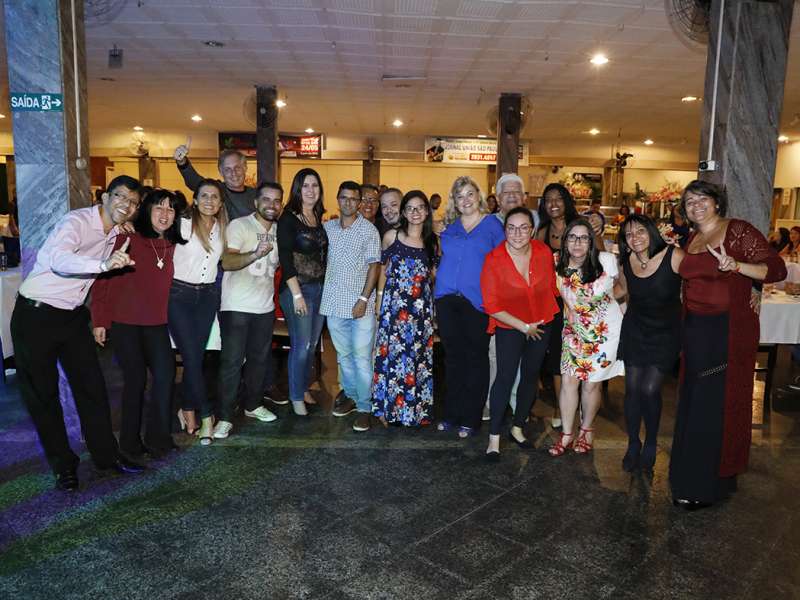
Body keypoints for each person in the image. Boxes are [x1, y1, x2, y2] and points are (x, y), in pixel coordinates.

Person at [10, 175, 145, 491]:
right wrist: (104, 264)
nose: (126, 205)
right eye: (121, 197)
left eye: (133, 202)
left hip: (71, 317)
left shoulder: (116, 231)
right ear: (105, 197)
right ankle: (63, 466)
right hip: (36, 315)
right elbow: (59, 260)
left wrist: (116, 236)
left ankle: (106, 457)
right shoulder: (77, 221)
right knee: (43, 396)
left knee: (93, 388)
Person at [670, 180, 786, 510]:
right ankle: (695, 477)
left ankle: (703, 485)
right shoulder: (692, 238)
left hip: (725, 332)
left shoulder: (736, 231)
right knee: (694, 404)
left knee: (712, 406)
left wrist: (738, 267)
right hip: (694, 331)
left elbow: (775, 268)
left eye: (701, 199)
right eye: (689, 201)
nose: (695, 206)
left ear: (716, 202)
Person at [91, 188, 187, 461]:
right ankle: (130, 443)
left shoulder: (172, 243)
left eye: (170, 209)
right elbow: (103, 280)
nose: (165, 214)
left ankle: (159, 438)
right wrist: (100, 320)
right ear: (146, 210)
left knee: (166, 378)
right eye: (159, 207)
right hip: (125, 322)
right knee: (135, 381)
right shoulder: (127, 237)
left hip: (157, 323)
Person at [481, 207, 559, 460]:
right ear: (504, 231)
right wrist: (524, 327)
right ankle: (493, 438)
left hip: (541, 323)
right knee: (504, 377)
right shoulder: (494, 259)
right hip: (509, 326)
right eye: (511, 228)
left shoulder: (543, 251)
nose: (517, 233)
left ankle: (517, 427)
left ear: (532, 230)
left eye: (523, 227)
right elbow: (491, 306)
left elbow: (550, 288)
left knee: (530, 376)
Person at [435, 176, 505, 438]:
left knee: (475, 359)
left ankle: (471, 416)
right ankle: (451, 413)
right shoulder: (449, 228)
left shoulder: (492, 226)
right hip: (446, 300)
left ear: (479, 196)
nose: (465, 200)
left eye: (469, 194)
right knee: (452, 359)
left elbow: (501, 266)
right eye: (459, 196)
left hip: (477, 302)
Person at [213, 182, 283, 440]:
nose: (271, 205)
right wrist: (254, 254)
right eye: (266, 199)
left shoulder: (279, 231)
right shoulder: (240, 226)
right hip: (236, 306)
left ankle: (253, 405)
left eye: (277, 201)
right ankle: (224, 417)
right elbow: (227, 261)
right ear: (256, 202)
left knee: (258, 362)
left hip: (264, 308)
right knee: (231, 364)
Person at [614, 214, 684, 472]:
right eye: (629, 234)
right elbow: (620, 290)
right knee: (632, 388)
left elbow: (695, 287)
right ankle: (633, 443)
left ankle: (652, 442)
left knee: (651, 389)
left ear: (652, 232)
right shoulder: (626, 261)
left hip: (666, 332)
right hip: (635, 330)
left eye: (640, 231)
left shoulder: (674, 256)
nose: (635, 238)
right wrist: (587, 296)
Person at [549, 218, 624, 456]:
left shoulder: (606, 260)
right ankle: (567, 433)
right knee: (569, 381)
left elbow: (623, 288)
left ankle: (586, 429)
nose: (578, 242)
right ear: (565, 241)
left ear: (591, 241)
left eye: (583, 237)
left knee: (591, 385)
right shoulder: (555, 263)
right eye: (572, 237)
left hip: (604, 332)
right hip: (573, 331)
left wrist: (612, 307)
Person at [168, 179, 228, 445]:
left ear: (220, 202)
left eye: (214, 197)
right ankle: (206, 416)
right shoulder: (180, 225)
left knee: (197, 357)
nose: (209, 201)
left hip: (207, 296)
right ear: (194, 199)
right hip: (178, 295)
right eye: (204, 196)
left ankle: (186, 408)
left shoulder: (223, 229)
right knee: (191, 358)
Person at [373, 190, 438, 428]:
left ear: (427, 211)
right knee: (392, 358)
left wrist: (433, 312)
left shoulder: (432, 242)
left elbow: (432, 278)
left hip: (420, 313)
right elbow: (383, 269)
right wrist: (379, 301)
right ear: (403, 212)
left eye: (420, 207)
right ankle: (387, 410)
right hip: (394, 309)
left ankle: (415, 412)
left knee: (417, 361)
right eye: (410, 208)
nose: (415, 212)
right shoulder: (392, 236)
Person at [321, 181, 381, 431]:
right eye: (344, 197)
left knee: (362, 357)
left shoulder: (369, 231)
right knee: (344, 357)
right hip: (334, 303)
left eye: (353, 199)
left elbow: (374, 266)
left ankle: (365, 407)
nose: (348, 202)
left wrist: (364, 299)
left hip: (360, 306)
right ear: (338, 199)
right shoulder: (328, 228)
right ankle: (353, 397)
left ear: (359, 203)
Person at [482, 172, 542, 421]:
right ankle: (492, 404)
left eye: (516, 192)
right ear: (498, 197)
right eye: (506, 193)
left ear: (524, 196)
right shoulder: (488, 223)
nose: (512, 197)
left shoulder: (534, 220)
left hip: (529, 306)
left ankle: (520, 408)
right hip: (500, 307)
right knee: (498, 360)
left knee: (525, 364)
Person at [277, 168, 328, 416]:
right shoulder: (288, 218)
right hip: (298, 289)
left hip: (320, 289)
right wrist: (297, 295)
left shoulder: (318, 216)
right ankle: (295, 395)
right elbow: (285, 259)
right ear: (298, 189)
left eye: (315, 186)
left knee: (312, 344)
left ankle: (303, 386)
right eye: (306, 186)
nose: (311, 190)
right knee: (301, 344)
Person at [536, 183, 580, 428]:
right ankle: (561, 407)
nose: (553, 204)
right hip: (552, 304)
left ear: (567, 201)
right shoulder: (541, 232)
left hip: (578, 304)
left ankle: (578, 406)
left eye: (558, 199)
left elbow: (601, 261)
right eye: (548, 199)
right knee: (557, 359)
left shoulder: (580, 227)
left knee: (577, 357)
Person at [174, 144, 255, 220]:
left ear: (245, 168)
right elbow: (194, 182)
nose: (233, 173)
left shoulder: (256, 195)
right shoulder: (218, 190)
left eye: (237, 168)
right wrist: (182, 163)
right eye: (227, 169)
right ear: (221, 172)